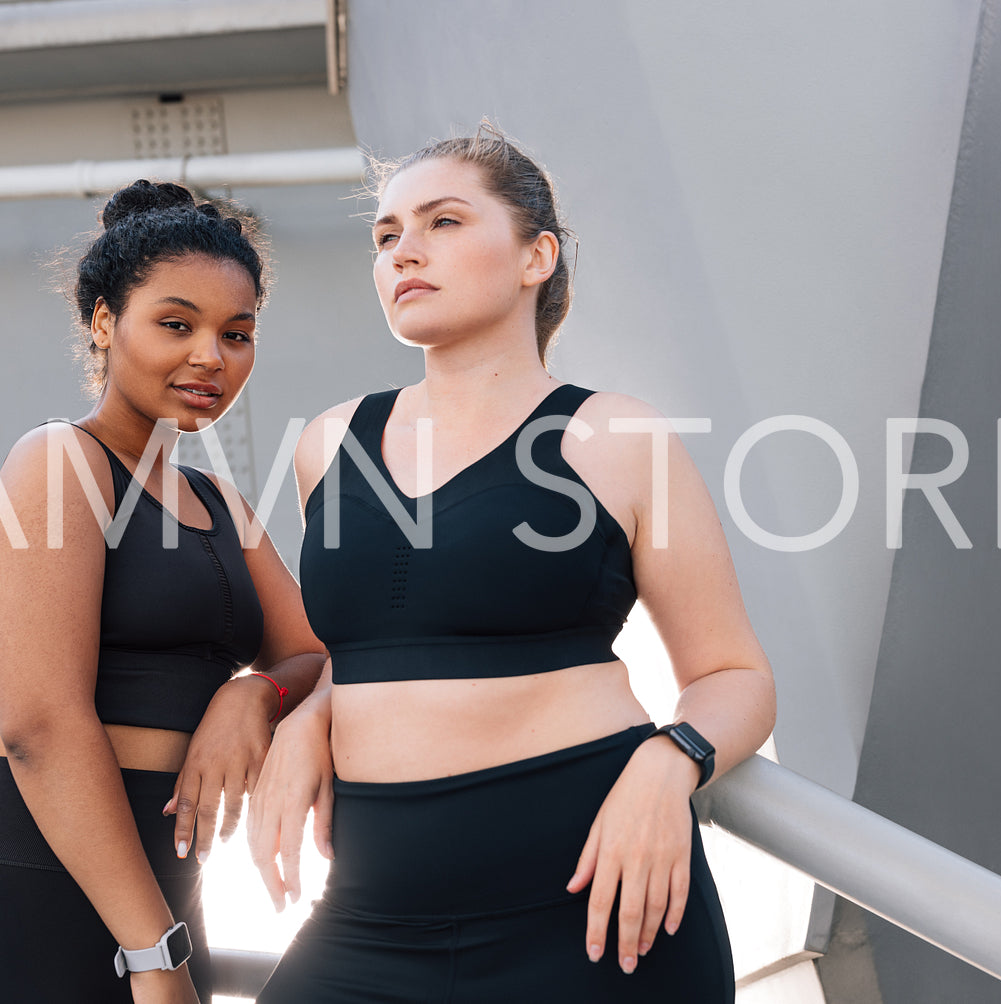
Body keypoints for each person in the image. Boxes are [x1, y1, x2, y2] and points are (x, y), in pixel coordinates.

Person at [248, 126, 776, 1003]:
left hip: (595, 906)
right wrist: (311, 717)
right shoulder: (328, 443)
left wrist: (670, 758)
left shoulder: (614, 436)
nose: (404, 251)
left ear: (537, 256)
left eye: (443, 222)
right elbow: (388, 634)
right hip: (369, 915)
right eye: (385, 237)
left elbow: (734, 673)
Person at [0, 180, 327, 1004]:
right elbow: (40, 728)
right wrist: (152, 953)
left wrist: (252, 695)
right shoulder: (59, 462)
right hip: (21, 899)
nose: (210, 356)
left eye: (237, 333)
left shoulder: (217, 504)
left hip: (159, 899)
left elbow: (317, 653)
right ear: (101, 322)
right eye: (175, 324)